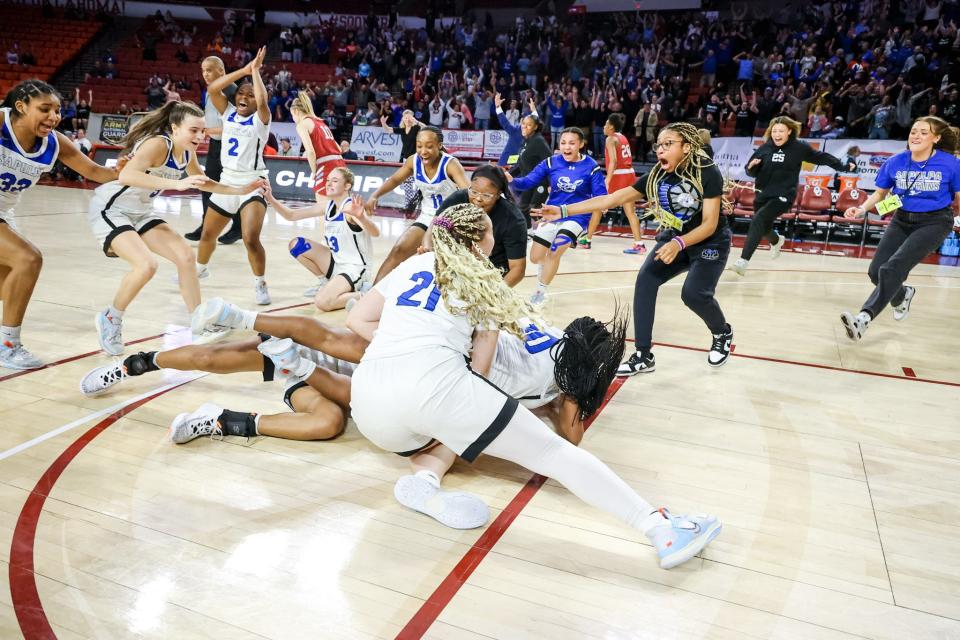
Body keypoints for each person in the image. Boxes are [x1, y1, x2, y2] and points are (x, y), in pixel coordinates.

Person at [342, 202, 721, 566]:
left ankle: (425, 482)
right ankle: (660, 528)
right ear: (479, 243)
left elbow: (356, 320)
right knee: (550, 454)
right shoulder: (483, 277)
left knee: (444, 430)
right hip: (435, 385)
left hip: (371, 407)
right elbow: (482, 370)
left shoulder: (413, 263)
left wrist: (404, 344)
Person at [537, 122, 734, 374]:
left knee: (693, 294)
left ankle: (722, 332)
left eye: (668, 144)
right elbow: (611, 198)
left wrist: (679, 243)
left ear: (686, 147)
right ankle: (643, 355)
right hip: (676, 239)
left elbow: (709, 224)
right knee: (646, 280)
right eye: (658, 145)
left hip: (709, 241)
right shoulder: (658, 174)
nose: (660, 150)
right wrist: (563, 210)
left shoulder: (706, 171)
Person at [87, 101, 264, 355]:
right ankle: (111, 318)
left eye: (202, 131)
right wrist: (179, 185)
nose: (200, 136)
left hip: (141, 212)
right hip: (111, 208)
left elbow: (203, 183)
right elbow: (127, 176)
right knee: (146, 265)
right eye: (194, 130)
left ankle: (199, 324)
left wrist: (239, 190)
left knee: (185, 256)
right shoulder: (158, 144)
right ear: (175, 128)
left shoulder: (187, 153)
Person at [79, 313, 366, 442]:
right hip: (305, 353)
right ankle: (133, 365)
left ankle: (220, 420)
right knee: (209, 358)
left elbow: (355, 395)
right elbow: (322, 332)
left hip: (334, 387)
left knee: (329, 422)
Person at [0, 80, 120, 369]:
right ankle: (8, 346)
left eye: (57, 110)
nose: (54, 117)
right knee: (29, 260)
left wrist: (128, 170)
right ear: (20, 107)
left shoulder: (54, 142)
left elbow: (94, 171)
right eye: (45, 109)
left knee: (8, 287)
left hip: (5, 212)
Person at [840, 117, 960, 341]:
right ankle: (903, 294)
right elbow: (880, 194)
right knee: (876, 271)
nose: (916, 135)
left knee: (892, 267)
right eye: (914, 131)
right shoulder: (895, 161)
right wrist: (862, 208)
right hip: (902, 218)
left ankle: (863, 319)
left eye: (924, 132)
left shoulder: (951, 164)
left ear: (937, 138)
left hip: (935, 221)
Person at [195, 47, 273, 306]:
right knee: (207, 235)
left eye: (250, 95)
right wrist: (243, 70)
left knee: (250, 239)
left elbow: (262, 101)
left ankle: (260, 283)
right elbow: (213, 89)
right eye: (241, 93)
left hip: (253, 183)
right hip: (227, 182)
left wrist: (256, 72)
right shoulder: (228, 112)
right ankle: (200, 269)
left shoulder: (261, 120)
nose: (245, 97)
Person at [729, 116, 855, 276]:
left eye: (781, 131)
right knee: (763, 227)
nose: (777, 134)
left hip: (783, 195)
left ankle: (743, 261)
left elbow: (821, 157)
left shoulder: (798, 147)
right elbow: (751, 171)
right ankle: (776, 240)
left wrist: (844, 167)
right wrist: (750, 168)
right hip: (762, 194)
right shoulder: (765, 148)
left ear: (789, 131)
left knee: (758, 220)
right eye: (774, 131)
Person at [507, 127, 606, 305]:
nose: (566, 146)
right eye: (563, 142)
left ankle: (540, 292)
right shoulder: (551, 163)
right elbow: (528, 181)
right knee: (536, 257)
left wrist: (603, 203)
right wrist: (510, 180)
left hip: (577, 217)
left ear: (581, 144)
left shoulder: (591, 166)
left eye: (572, 143)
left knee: (555, 250)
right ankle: (546, 272)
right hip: (552, 215)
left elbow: (601, 195)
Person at [364, 127, 469, 282]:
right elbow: (394, 180)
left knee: (436, 262)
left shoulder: (451, 164)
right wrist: (375, 195)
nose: (423, 151)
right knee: (399, 250)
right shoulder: (413, 160)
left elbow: (468, 193)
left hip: (449, 219)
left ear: (439, 145)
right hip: (427, 216)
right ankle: (372, 294)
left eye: (429, 146)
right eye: (419, 146)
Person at [265, 167, 379, 309]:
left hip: (355, 268)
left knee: (322, 302)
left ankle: (365, 293)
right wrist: (270, 198)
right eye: (327, 180)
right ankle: (325, 282)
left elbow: (375, 232)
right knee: (297, 245)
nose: (329, 184)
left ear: (347, 186)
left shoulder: (351, 207)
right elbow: (291, 215)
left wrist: (361, 217)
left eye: (335, 181)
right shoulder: (327, 206)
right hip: (336, 263)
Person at [434, 165, 527, 285]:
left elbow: (517, 269)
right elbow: (435, 226)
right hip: (457, 263)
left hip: (492, 272)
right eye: (473, 191)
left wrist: (495, 294)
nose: (478, 198)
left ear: (499, 194)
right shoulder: (458, 199)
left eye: (486, 195)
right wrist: (427, 250)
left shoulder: (513, 220)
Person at [185, 56, 243, 245]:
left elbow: (242, 125)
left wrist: (210, 130)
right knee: (206, 185)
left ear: (221, 70)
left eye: (209, 70)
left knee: (231, 188)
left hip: (231, 148)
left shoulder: (231, 89)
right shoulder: (211, 91)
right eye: (203, 71)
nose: (205, 74)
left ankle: (238, 227)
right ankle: (206, 226)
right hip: (216, 145)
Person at [581, 113, 647, 255]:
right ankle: (639, 243)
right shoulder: (623, 137)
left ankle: (587, 240)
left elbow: (614, 161)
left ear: (611, 127)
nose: (604, 127)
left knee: (598, 205)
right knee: (630, 211)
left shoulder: (610, 139)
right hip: (630, 174)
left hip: (619, 176)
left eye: (605, 124)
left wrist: (608, 180)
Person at [291, 92, 345, 201]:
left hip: (327, 166)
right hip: (341, 164)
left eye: (292, 115)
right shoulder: (321, 122)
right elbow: (339, 149)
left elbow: (310, 152)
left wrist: (315, 172)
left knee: (323, 210)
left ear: (296, 111)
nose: (293, 118)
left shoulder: (302, 124)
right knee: (343, 208)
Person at [495, 94, 538, 167]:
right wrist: (498, 107)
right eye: (524, 121)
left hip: (519, 166)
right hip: (504, 164)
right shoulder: (514, 130)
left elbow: (536, 122)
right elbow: (504, 121)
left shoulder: (531, 134)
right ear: (521, 121)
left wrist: (534, 111)